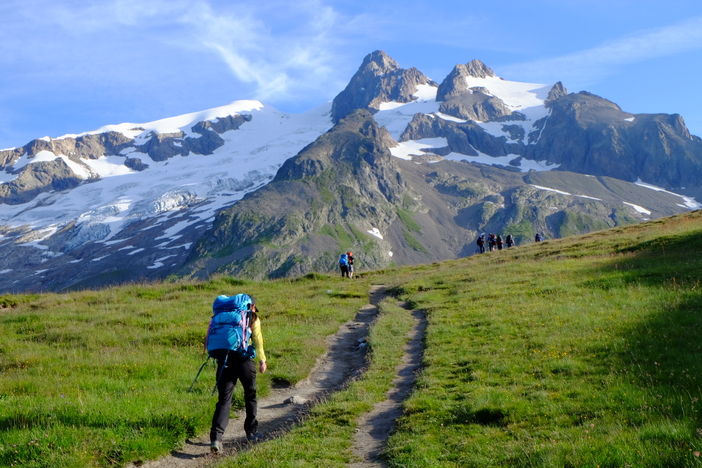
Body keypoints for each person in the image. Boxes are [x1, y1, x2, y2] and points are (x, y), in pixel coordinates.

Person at [206, 294, 267, 453]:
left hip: (224, 362)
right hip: (244, 362)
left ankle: (216, 438)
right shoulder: (252, 318)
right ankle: (251, 432)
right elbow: (258, 341)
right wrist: (262, 360)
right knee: (250, 396)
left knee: (224, 400)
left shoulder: (219, 316)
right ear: (251, 306)